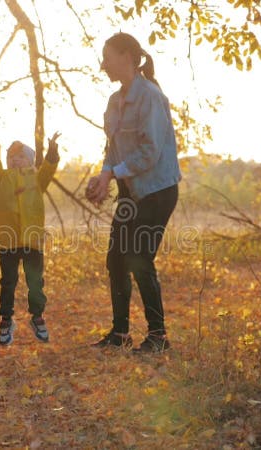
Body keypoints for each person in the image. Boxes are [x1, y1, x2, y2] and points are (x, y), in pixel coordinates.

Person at [86, 32, 181, 353]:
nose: (103, 65)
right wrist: (103, 177)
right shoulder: (115, 101)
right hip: (131, 193)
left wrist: (114, 173)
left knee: (140, 259)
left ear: (127, 56)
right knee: (116, 260)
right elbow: (113, 150)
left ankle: (158, 336)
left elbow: (150, 152)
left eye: (107, 57)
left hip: (157, 191)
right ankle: (120, 334)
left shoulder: (150, 96)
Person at [0, 117, 60, 345]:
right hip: (8, 240)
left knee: (35, 281)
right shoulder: (1, 177)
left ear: (31, 160)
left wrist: (52, 150)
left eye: (20, 156)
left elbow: (50, 167)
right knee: (8, 281)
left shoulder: (37, 179)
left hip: (32, 239)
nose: (14, 160)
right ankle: (6, 320)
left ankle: (37, 317)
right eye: (11, 157)